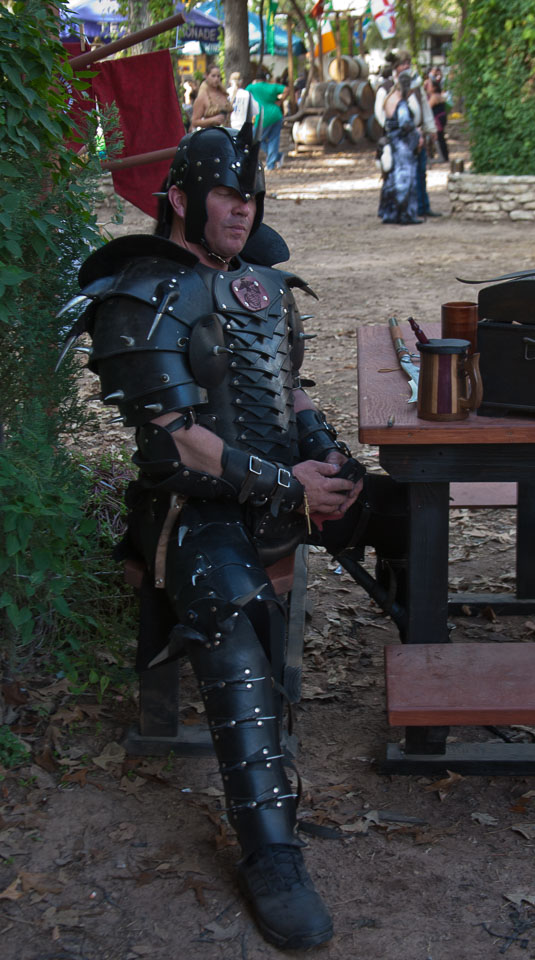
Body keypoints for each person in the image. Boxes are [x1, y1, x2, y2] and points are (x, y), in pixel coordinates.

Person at [58, 125, 409, 951]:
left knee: (408, 509)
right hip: (193, 507)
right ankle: (271, 855)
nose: (242, 209)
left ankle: (435, 715)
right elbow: (176, 442)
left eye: (251, 195)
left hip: (281, 491)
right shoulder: (142, 287)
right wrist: (292, 484)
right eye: (226, 194)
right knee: (231, 609)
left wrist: (326, 454)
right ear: (181, 199)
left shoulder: (265, 286)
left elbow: (289, 392)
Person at [375, 51, 440, 220]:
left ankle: (422, 207)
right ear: (395, 67)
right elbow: (382, 115)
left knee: (420, 172)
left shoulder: (415, 86)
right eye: (402, 64)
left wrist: (430, 128)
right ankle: (402, 212)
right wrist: (398, 132)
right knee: (400, 176)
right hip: (400, 138)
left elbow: (424, 108)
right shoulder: (386, 88)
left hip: (415, 134)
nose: (406, 67)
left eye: (407, 63)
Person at [375, 68, 423, 224]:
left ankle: (390, 213)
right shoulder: (401, 103)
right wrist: (417, 134)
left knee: (391, 180)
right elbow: (405, 125)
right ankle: (405, 214)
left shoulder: (389, 97)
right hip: (402, 145)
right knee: (404, 179)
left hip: (392, 142)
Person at [247, 68, 287, 170]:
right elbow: (286, 89)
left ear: (256, 79)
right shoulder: (272, 86)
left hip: (262, 116)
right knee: (274, 139)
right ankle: (271, 163)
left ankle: (276, 157)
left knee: (255, 139)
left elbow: (244, 94)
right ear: (265, 79)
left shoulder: (252, 87)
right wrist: (280, 101)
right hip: (276, 114)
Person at [190, 64, 232, 131]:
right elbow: (194, 122)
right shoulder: (202, 96)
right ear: (206, 76)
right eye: (213, 76)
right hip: (210, 133)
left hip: (227, 132)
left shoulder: (223, 93)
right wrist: (212, 120)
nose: (216, 79)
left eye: (218, 76)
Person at [427, 76, 449, 162]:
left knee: (439, 137)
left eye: (429, 86)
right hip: (441, 117)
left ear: (434, 88)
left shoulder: (434, 96)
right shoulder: (438, 95)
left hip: (438, 119)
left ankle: (442, 156)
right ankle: (444, 156)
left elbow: (428, 107)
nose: (427, 88)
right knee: (440, 137)